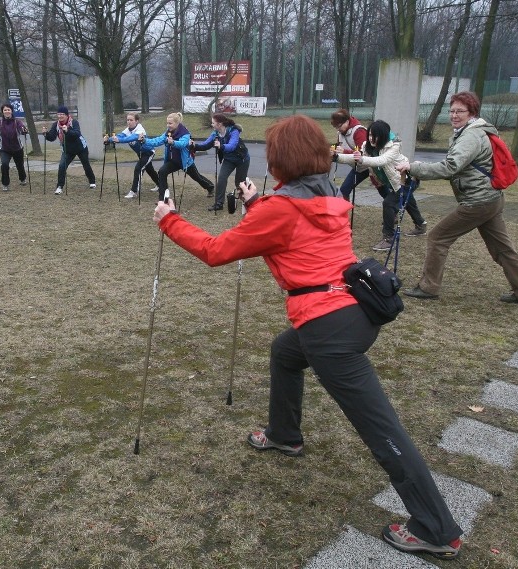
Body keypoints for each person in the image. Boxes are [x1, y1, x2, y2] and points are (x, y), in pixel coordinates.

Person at [152, 114, 463, 560]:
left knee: (381, 428)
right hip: (355, 311)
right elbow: (290, 230)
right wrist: (256, 204)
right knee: (284, 352)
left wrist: (169, 219)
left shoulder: (283, 207)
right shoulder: (326, 194)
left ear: (281, 161)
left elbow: (215, 251)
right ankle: (284, 433)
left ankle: (437, 527)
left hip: (329, 328)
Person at [396, 91, 518, 304]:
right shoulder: (472, 132)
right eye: (452, 111)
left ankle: (428, 287)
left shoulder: (471, 135)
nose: (454, 115)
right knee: (502, 249)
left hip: (478, 202)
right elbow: (462, 169)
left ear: (471, 112)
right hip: (490, 199)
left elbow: (451, 166)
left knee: (437, 237)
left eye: (460, 111)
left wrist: (414, 167)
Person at [334, 120, 428, 250]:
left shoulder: (393, 146)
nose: (372, 138)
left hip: (406, 180)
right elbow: (356, 158)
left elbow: (381, 160)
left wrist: (362, 159)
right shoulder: (367, 146)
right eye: (370, 135)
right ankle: (420, 225)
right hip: (394, 183)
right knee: (408, 201)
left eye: (375, 135)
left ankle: (388, 239)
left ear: (383, 135)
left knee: (389, 203)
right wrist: (337, 157)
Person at [139, 112, 215, 202]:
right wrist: (145, 140)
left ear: (177, 123)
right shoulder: (168, 133)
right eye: (167, 123)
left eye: (170, 123)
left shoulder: (185, 133)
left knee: (197, 177)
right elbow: (157, 141)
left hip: (185, 161)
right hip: (173, 161)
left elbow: (182, 144)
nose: (168, 125)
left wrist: (173, 142)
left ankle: (210, 187)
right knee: (162, 172)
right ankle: (163, 199)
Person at [193, 113, 250, 211]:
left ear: (219, 124)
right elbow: (206, 145)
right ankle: (219, 204)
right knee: (221, 178)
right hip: (229, 160)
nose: (212, 125)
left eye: (213, 123)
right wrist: (194, 146)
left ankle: (248, 198)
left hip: (242, 159)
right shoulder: (215, 133)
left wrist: (221, 146)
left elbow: (232, 145)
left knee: (239, 183)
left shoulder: (233, 131)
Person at [43, 105, 96, 195]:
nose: (60, 116)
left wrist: (67, 131)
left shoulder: (73, 122)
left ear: (67, 115)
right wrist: (46, 134)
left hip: (80, 147)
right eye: (58, 114)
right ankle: (59, 186)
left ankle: (92, 181)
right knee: (62, 166)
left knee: (86, 165)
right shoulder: (56, 125)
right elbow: (52, 137)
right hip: (67, 149)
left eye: (62, 114)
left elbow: (77, 133)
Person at [105, 113, 159, 199]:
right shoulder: (127, 130)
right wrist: (110, 139)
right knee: (150, 170)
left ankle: (133, 191)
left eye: (131, 120)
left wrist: (119, 140)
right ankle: (161, 185)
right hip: (140, 153)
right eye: (128, 120)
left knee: (138, 168)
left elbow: (130, 138)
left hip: (148, 152)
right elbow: (120, 135)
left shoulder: (140, 130)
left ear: (136, 121)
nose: (129, 122)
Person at [0, 103, 28, 192]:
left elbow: (22, 129)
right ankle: (5, 184)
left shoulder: (17, 121)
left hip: (17, 148)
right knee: (4, 165)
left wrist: (24, 130)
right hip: (4, 149)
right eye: (5, 110)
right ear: (2, 112)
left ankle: (23, 178)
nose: (7, 111)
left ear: (11, 111)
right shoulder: (0, 123)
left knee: (20, 165)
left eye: (8, 110)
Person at [330, 109, 368, 200]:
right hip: (358, 168)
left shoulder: (359, 131)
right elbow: (339, 145)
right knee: (344, 191)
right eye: (336, 127)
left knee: (385, 192)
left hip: (369, 166)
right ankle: (343, 213)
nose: (338, 129)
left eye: (339, 126)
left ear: (347, 121)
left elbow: (362, 152)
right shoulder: (341, 133)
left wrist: (344, 152)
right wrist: (332, 149)